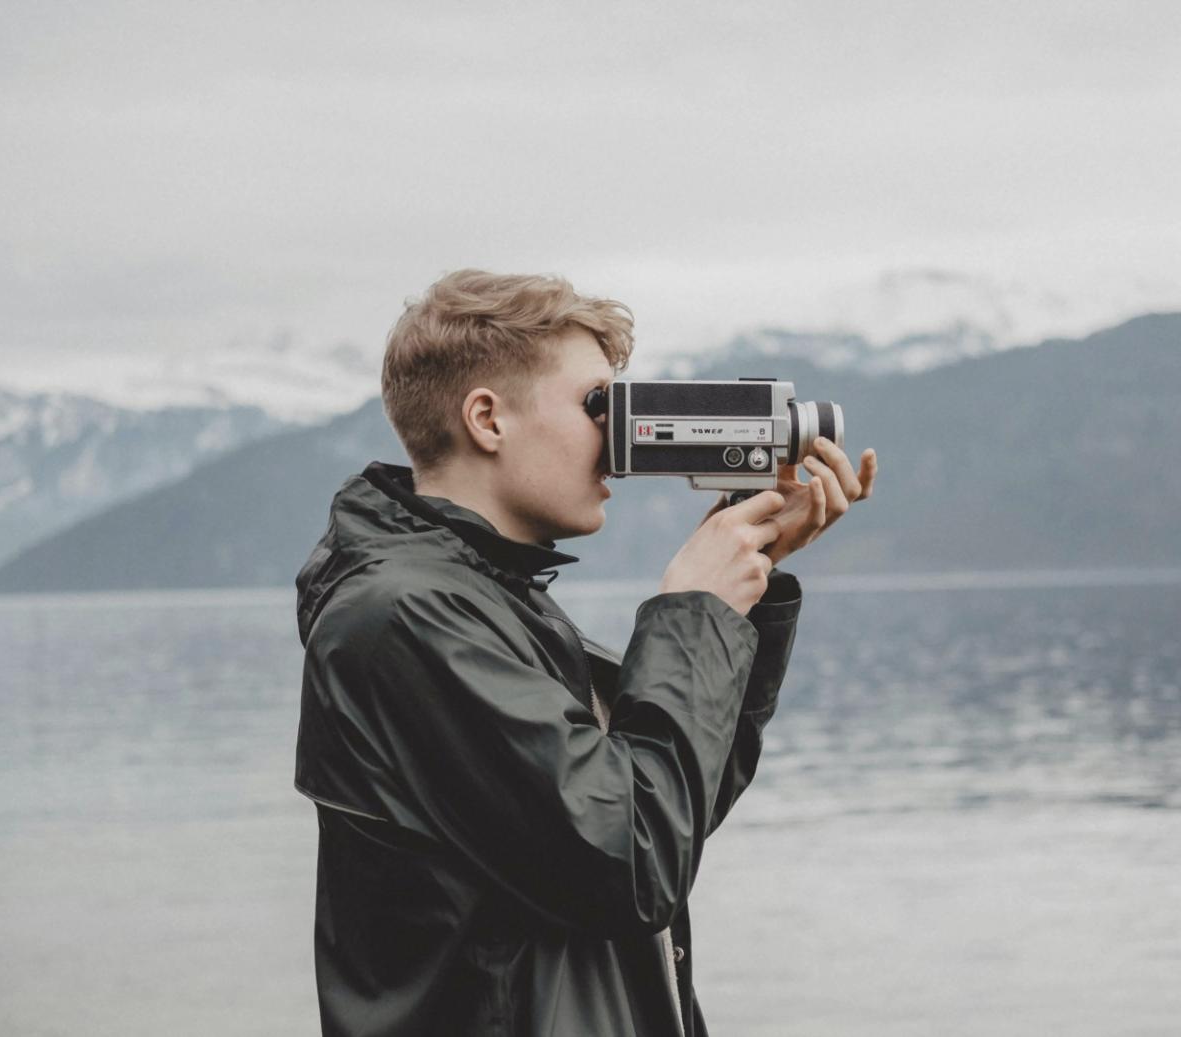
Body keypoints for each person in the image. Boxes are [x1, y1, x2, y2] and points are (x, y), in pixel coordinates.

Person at [293, 270, 877, 1036]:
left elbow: (670, 807)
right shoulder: (407, 616)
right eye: (596, 402)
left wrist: (750, 585)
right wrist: (691, 614)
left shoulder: (485, 601)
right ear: (487, 419)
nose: (619, 432)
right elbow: (632, 860)